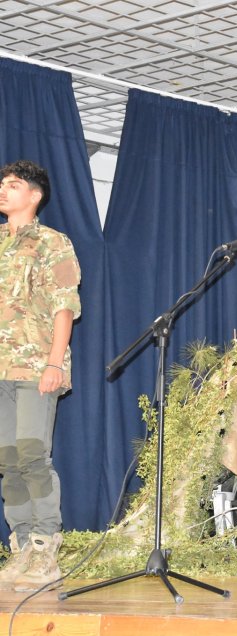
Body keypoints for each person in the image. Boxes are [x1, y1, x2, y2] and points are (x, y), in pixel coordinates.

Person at [0, 160, 81, 591]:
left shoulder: (52, 242)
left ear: (35, 195)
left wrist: (54, 363)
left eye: (13, 185)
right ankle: (21, 547)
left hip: (35, 366)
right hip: (0, 370)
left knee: (32, 455)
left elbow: (64, 306)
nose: (3, 190)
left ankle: (45, 548)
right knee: (7, 460)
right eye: (2, 184)